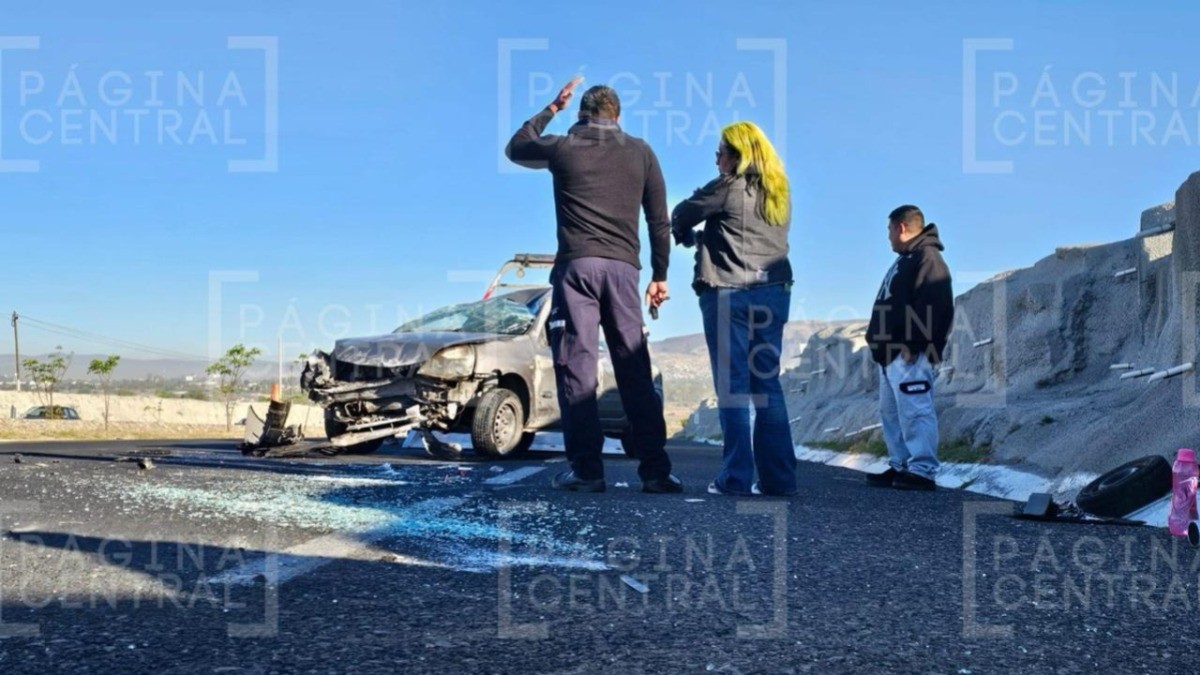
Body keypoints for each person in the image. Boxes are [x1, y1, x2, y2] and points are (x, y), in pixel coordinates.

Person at [506, 77, 681, 494]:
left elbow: (517, 147)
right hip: (624, 272)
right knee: (634, 369)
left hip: (577, 270)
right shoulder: (641, 151)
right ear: (617, 116)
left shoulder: (564, 146)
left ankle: (587, 470)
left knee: (577, 369)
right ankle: (655, 471)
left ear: (583, 114)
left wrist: (552, 108)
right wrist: (660, 275)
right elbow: (660, 219)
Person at [671, 121, 797, 496]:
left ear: (736, 156)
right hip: (774, 292)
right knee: (767, 385)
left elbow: (681, 212)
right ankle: (779, 480)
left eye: (720, 154)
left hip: (729, 293)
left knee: (733, 388)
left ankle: (735, 478)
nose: (716, 161)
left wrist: (687, 237)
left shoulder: (727, 187)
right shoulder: (779, 192)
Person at [864, 205, 954, 491]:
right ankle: (901, 464)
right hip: (889, 355)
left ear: (901, 228)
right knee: (892, 413)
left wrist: (915, 344)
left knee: (915, 409)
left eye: (889, 230)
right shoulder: (906, 259)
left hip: (908, 354)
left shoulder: (928, 258)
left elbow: (937, 303)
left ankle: (923, 470)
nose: (888, 237)